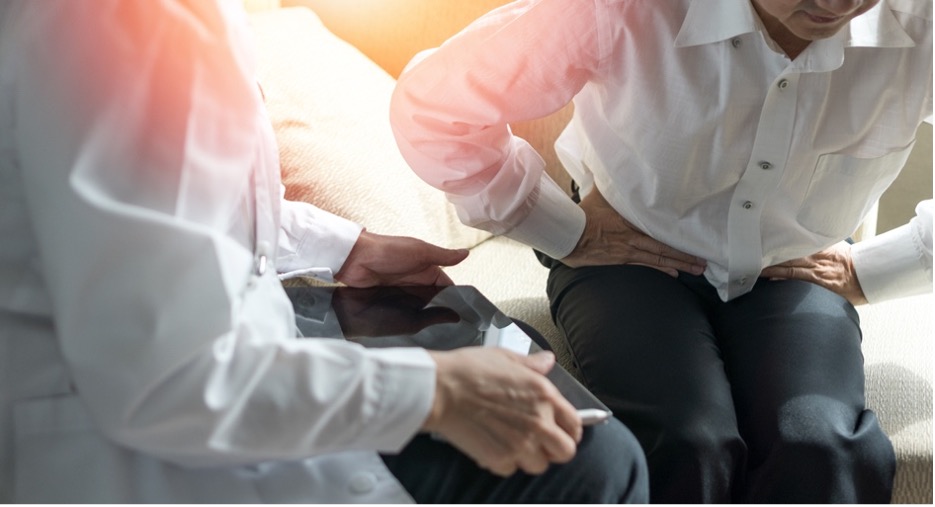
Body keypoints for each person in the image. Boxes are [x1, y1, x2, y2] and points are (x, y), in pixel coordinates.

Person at [0, 0, 649, 503]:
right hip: (139, 448)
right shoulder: (138, 28)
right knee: (594, 463)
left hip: (201, 383)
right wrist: (439, 391)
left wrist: (348, 247)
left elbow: (179, 214)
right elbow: (167, 380)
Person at [390, 0, 933, 503]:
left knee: (822, 447)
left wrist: (882, 267)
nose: (837, 4)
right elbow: (435, 105)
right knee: (685, 441)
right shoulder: (623, 9)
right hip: (627, 260)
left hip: (796, 269)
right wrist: (564, 229)